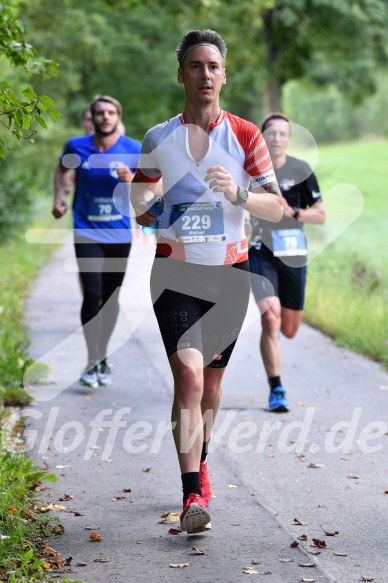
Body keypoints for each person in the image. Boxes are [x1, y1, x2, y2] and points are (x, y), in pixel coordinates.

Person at [130, 30, 283, 534]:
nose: (205, 74)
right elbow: (140, 204)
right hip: (174, 271)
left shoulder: (244, 135)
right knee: (190, 377)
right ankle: (192, 492)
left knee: (211, 386)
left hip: (229, 277)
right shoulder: (158, 138)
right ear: (181, 75)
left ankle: (201, 457)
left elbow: (277, 206)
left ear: (224, 73)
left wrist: (238, 194)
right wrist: (159, 208)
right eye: (195, 66)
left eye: (213, 66)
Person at [52, 95, 141, 388]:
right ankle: (93, 359)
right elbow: (61, 168)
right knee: (92, 294)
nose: (105, 117)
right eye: (100, 112)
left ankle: (102, 353)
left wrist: (133, 182)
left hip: (118, 234)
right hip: (86, 231)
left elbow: (153, 188)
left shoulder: (133, 149)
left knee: (110, 297)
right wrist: (59, 198)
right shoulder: (77, 146)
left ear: (118, 116)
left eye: (110, 112)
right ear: (92, 117)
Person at [248, 113, 326, 413]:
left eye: (283, 133)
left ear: (288, 139)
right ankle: (276, 388)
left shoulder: (300, 169)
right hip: (260, 251)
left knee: (289, 329)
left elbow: (320, 214)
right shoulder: (251, 170)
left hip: (293, 253)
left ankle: (277, 330)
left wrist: (292, 213)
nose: (277, 138)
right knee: (270, 317)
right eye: (271, 133)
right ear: (263, 137)